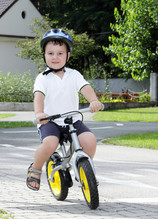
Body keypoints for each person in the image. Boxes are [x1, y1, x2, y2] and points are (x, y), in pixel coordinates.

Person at [26, 29, 102, 191]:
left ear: (68, 56)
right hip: (50, 122)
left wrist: (93, 100)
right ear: (44, 55)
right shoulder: (43, 78)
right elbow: (38, 95)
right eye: (50, 53)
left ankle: (83, 168)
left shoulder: (74, 75)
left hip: (72, 120)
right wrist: (39, 113)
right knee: (50, 144)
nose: (55, 57)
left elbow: (85, 87)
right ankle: (36, 169)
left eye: (60, 53)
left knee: (90, 140)